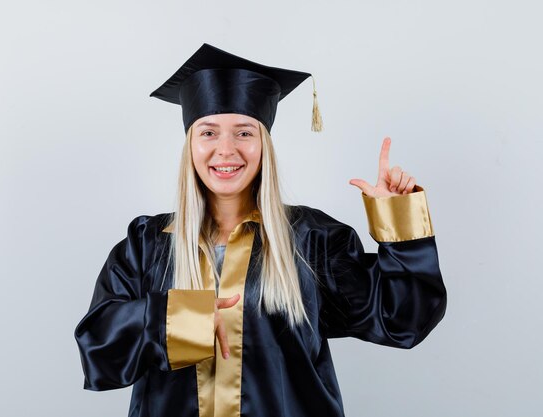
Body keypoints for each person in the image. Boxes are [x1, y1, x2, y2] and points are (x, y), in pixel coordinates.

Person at [74, 43, 447, 417]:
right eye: (208, 133)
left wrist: (399, 217)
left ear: (264, 144)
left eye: (244, 133)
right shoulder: (147, 244)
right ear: (189, 145)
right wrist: (184, 321)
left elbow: (404, 320)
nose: (226, 150)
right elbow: (99, 349)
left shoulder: (310, 240)